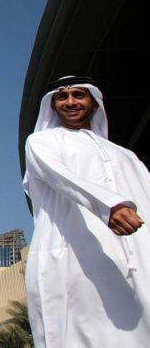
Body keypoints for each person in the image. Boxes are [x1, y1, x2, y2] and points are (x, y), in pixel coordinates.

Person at [24, 75, 150, 346]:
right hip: (77, 254)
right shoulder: (42, 142)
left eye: (78, 95)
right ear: (53, 105)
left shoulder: (125, 155)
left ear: (94, 103)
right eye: (62, 97)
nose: (70, 102)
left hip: (138, 255)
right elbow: (61, 176)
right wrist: (110, 205)